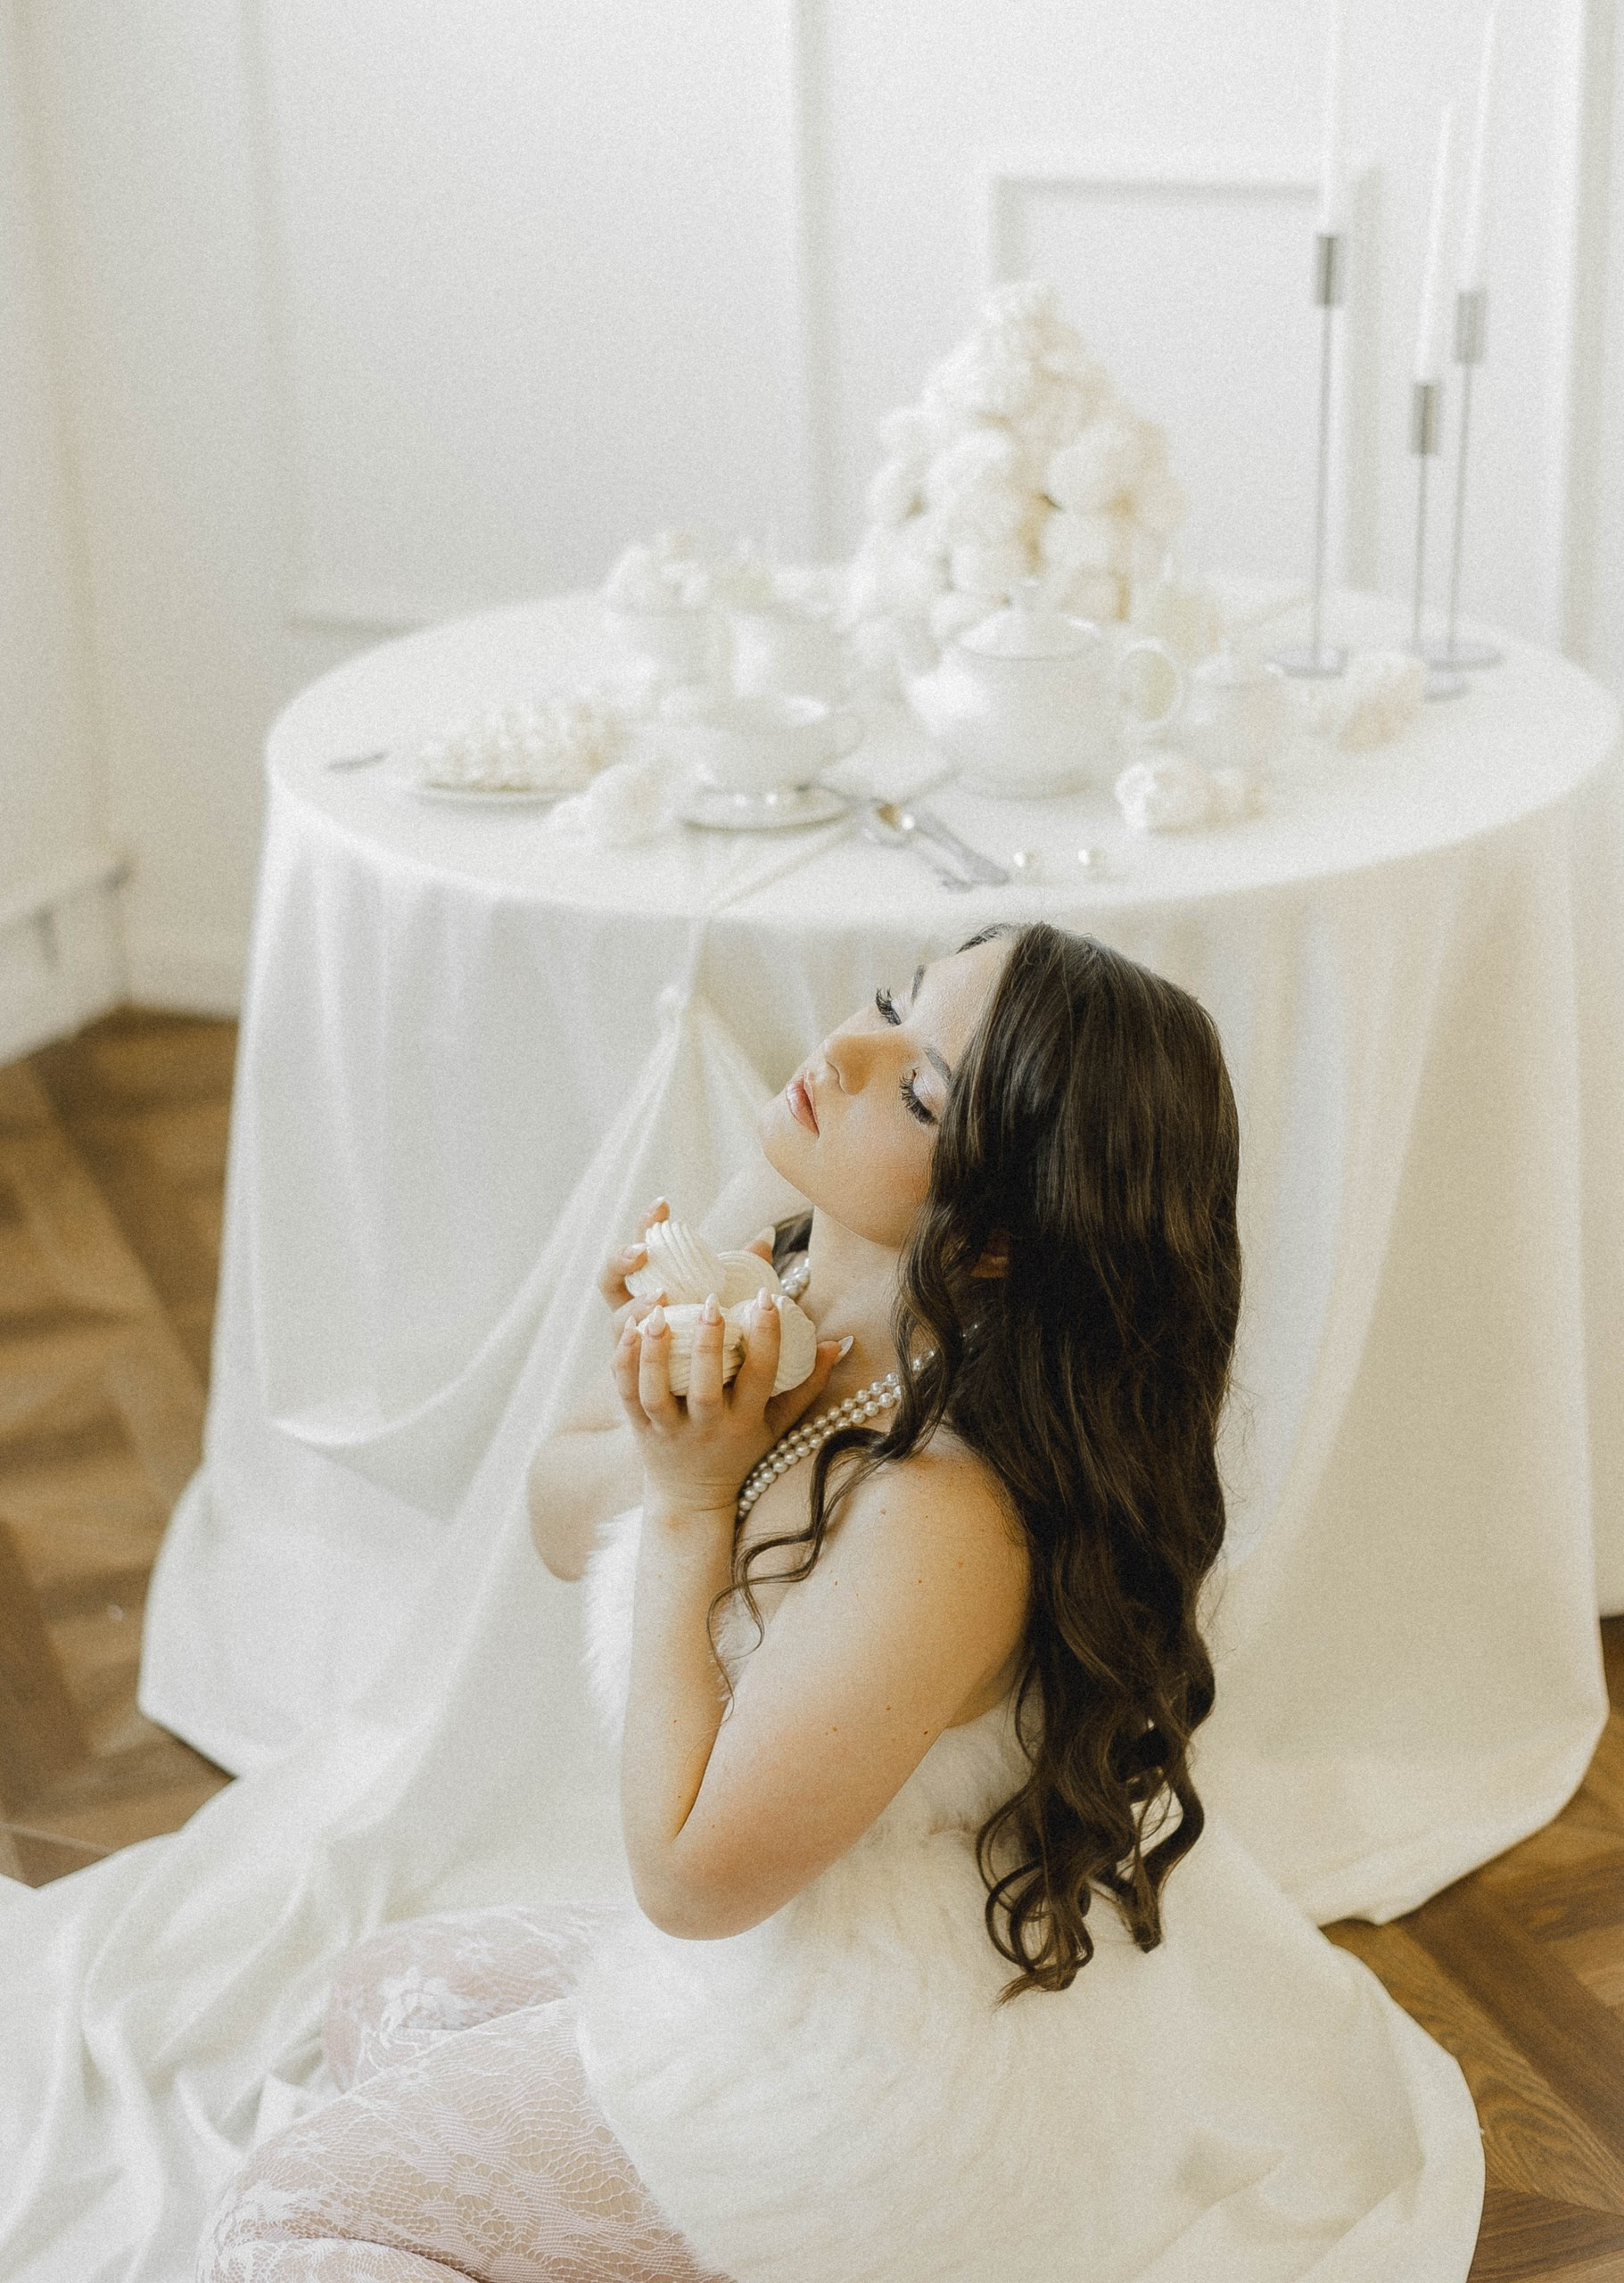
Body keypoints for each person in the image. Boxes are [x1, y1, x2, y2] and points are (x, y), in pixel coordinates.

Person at [201, 922, 1482, 2281]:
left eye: (919, 1090)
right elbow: (557, 1518)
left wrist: (694, 1503)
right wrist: (680, 1412)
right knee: (376, 1999)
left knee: (281, 2225)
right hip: (792, 1961)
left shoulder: (950, 1518)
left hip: (892, 2091)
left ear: (993, 1243)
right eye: (891, 1000)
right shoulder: (791, 1256)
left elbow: (689, 1881)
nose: (848, 1050)